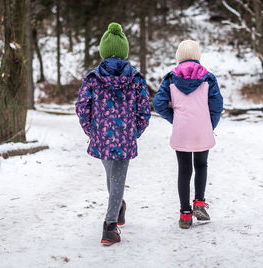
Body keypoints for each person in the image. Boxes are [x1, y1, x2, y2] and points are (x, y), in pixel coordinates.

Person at [75, 22, 151, 245]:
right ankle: (110, 227)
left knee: (113, 177)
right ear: (125, 51)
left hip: (101, 137)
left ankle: (117, 210)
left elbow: (81, 107)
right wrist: (134, 131)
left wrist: (92, 130)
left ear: (103, 51)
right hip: (125, 137)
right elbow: (145, 109)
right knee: (115, 178)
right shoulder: (136, 79)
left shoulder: (92, 78)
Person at [153, 40, 223, 229]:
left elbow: (158, 103)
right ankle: (199, 203)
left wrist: (175, 119)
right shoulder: (208, 78)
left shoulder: (170, 78)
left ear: (178, 57)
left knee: (184, 170)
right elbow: (217, 106)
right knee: (201, 165)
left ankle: (185, 214)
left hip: (182, 130)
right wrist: (210, 125)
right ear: (197, 56)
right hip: (202, 129)